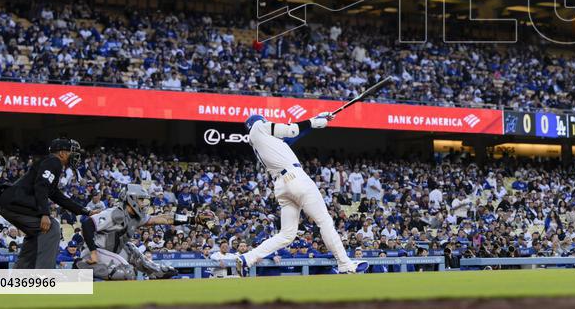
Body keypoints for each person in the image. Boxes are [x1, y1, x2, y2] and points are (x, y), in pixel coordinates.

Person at [236, 112, 368, 276]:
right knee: (324, 220)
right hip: (295, 178)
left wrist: (316, 122)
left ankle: (247, 258)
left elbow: (291, 138)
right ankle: (345, 264)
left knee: (287, 235)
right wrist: (312, 121)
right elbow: (290, 130)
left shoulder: (263, 141)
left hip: (281, 185)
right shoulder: (259, 126)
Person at [0, 138, 89, 269]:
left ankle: (19, 276)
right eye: (71, 152)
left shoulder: (50, 163)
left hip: (10, 202)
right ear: (62, 153)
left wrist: (84, 211)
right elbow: (41, 186)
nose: (75, 155)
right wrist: (44, 213)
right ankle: (44, 275)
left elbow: (56, 195)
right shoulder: (54, 162)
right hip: (13, 202)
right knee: (52, 227)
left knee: (38, 233)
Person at [76, 184, 204, 281]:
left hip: (112, 252)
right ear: (131, 199)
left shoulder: (136, 217)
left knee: (131, 249)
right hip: (95, 252)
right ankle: (82, 266)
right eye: (141, 200)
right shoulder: (114, 213)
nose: (143, 203)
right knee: (127, 273)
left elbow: (164, 218)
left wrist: (193, 219)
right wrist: (93, 253)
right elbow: (87, 224)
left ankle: (155, 272)